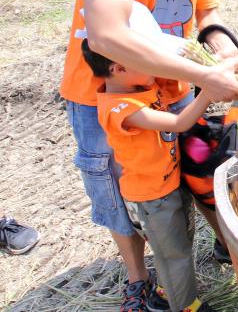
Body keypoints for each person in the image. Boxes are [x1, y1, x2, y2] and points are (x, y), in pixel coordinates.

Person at [59, 0, 238, 311]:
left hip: (173, 90)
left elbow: (205, 13)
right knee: (117, 186)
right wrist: (205, 74)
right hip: (109, 95)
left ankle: (191, 252)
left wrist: (221, 42)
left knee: (178, 176)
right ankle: (137, 278)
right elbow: (107, 37)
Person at [82, 40, 215, 312]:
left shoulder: (139, 84)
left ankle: (165, 295)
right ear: (118, 68)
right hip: (153, 198)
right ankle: (186, 306)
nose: (154, 65)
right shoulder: (120, 108)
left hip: (170, 183)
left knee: (180, 244)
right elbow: (178, 123)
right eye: (146, 61)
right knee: (173, 256)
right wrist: (209, 89)